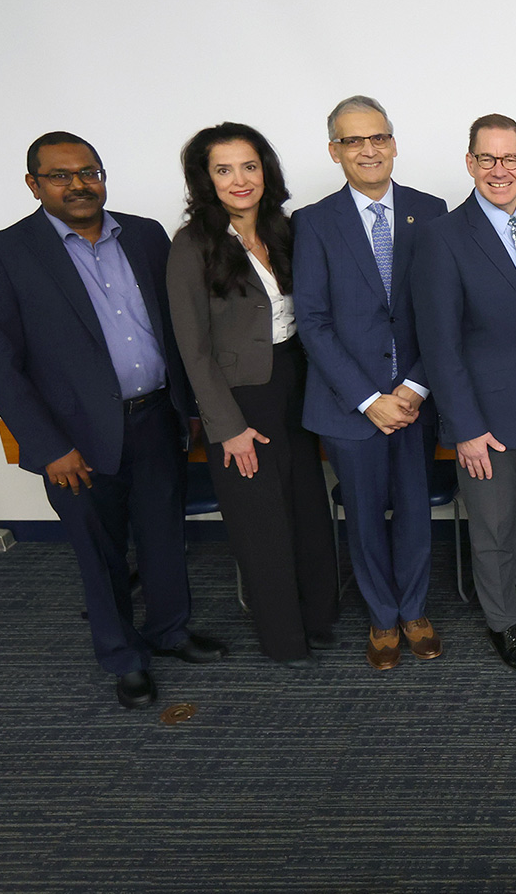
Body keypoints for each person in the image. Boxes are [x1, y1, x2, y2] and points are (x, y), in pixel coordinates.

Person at [0, 131, 226, 708]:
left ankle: (169, 631)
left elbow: (176, 324)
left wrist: (185, 406)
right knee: (100, 550)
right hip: (73, 440)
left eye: (89, 172)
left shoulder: (144, 234)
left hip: (158, 417)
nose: (78, 184)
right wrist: (45, 444)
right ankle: (123, 656)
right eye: (60, 175)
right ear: (33, 184)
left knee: (164, 536)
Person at [412, 113, 516, 673]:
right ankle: (502, 621)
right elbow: (440, 344)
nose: (500, 170)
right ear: (470, 164)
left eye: (511, 159)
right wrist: (463, 427)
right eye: (487, 159)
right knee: (492, 526)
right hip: (482, 415)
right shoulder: (442, 236)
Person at [166, 123, 338, 669]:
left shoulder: (284, 230)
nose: (239, 179)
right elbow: (192, 350)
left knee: (308, 510)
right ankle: (284, 640)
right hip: (241, 400)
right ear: (205, 179)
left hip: (297, 386)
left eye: (249, 166)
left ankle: (318, 619)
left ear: (266, 170)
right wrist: (227, 427)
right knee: (262, 524)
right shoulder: (192, 245)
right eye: (223, 169)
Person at [292, 96, 448, 670]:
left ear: (394, 143)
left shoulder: (432, 212)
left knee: (413, 511)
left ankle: (414, 610)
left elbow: (444, 311)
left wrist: (413, 387)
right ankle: (382, 618)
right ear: (335, 151)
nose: (368, 149)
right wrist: (368, 399)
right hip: (348, 406)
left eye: (377, 137)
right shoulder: (312, 222)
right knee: (362, 516)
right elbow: (312, 320)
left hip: (416, 398)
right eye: (353, 141)